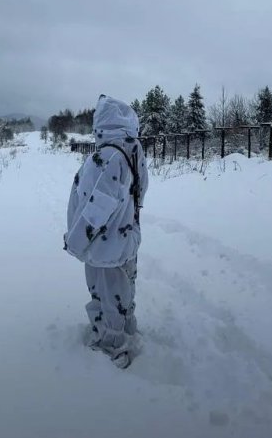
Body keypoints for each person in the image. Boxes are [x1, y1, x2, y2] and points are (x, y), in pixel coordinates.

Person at [64, 95, 149, 369]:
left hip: (104, 246)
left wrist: (75, 242)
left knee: (107, 293)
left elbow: (97, 207)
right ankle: (125, 331)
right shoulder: (133, 150)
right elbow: (139, 194)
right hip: (123, 240)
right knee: (122, 291)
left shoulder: (109, 156)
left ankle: (113, 348)